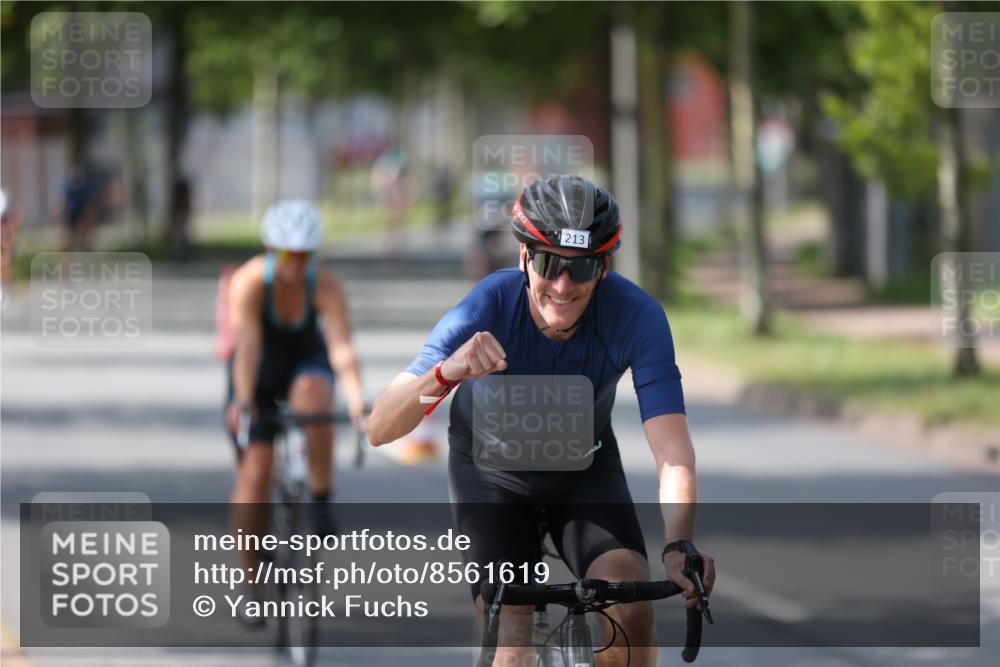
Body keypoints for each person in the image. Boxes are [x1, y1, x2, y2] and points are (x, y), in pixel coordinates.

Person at [367, 175, 715, 666]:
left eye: (582, 268)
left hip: (582, 468)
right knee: (513, 635)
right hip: (491, 475)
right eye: (549, 264)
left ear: (605, 267)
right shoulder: (486, 306)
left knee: (632, 611)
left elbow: (673, 452)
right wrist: (447, 373)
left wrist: (680, 541)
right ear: (524, 259)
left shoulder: (636, 316)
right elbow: (380, 426)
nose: (562, 286)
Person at [223, 200, 366, 616]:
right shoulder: (249, 283)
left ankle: (320, 497)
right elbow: (246, 348)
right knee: (255, 473)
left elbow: (341, 348)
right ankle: (251, 581)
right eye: (287, 254)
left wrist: (357, 399)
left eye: (304, 256)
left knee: (315, 399)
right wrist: (245, 401)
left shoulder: (324, 284)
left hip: (304, 360)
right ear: (271, 251)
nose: (295, 265)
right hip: (258, 370)